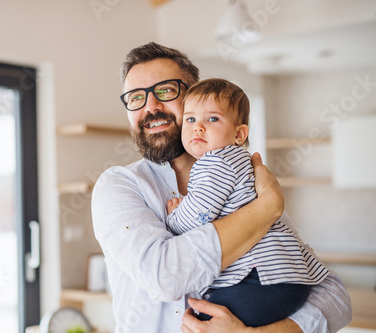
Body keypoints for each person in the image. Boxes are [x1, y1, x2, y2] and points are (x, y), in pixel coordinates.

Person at [91, 42, 351, 333]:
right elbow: (166, 278)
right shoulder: (118, 186)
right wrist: (266, 208)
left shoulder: (244, 175)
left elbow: (335, 297)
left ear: (194, 96)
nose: (151, 107)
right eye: (136, 97)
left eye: (165, 90)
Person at [165, 78, 329, 327]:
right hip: (288, 279)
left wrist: (175, 215)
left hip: (259, 278)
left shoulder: (215, 162)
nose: (198, 127)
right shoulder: (239, 160)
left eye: (212, 119)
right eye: (190, 119)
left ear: (239, 134)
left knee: (203, 323)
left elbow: (196, 217)